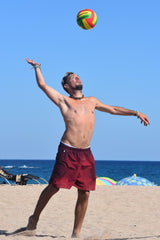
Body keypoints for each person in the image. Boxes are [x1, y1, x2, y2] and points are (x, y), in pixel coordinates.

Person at [24, 58, 150, 238]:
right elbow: (42, 85)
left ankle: (76, 233)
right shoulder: (63, 100)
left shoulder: (92, 101)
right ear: (67, 86)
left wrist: (136, 113)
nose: (77, 78)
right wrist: (37, 68)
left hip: (86, 153)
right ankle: (33, 219)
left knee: (85, 192)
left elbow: (113, 109)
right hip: (68, 150)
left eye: (78, 76)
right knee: (54, 186)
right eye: (73, 78)